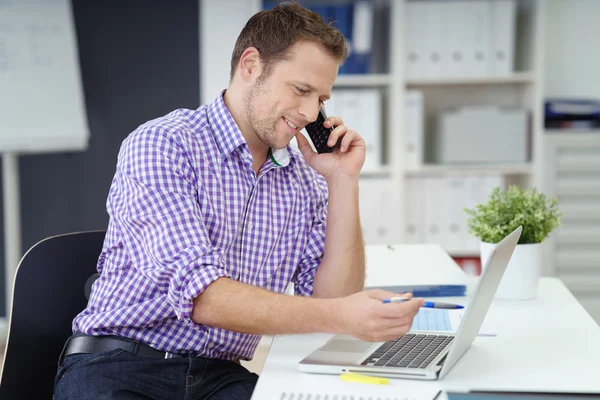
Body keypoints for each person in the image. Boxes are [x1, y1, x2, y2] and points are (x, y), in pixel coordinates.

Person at [53, 2, 424, 399]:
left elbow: (332, 302)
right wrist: (344, 315)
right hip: (122, 365)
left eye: (321, 98)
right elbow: (204, 298)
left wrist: (343, 181)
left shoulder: (305, 182)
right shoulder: (163, 144)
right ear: (250, 65)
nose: (310, 112)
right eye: (301, 90)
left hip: (220, 376)